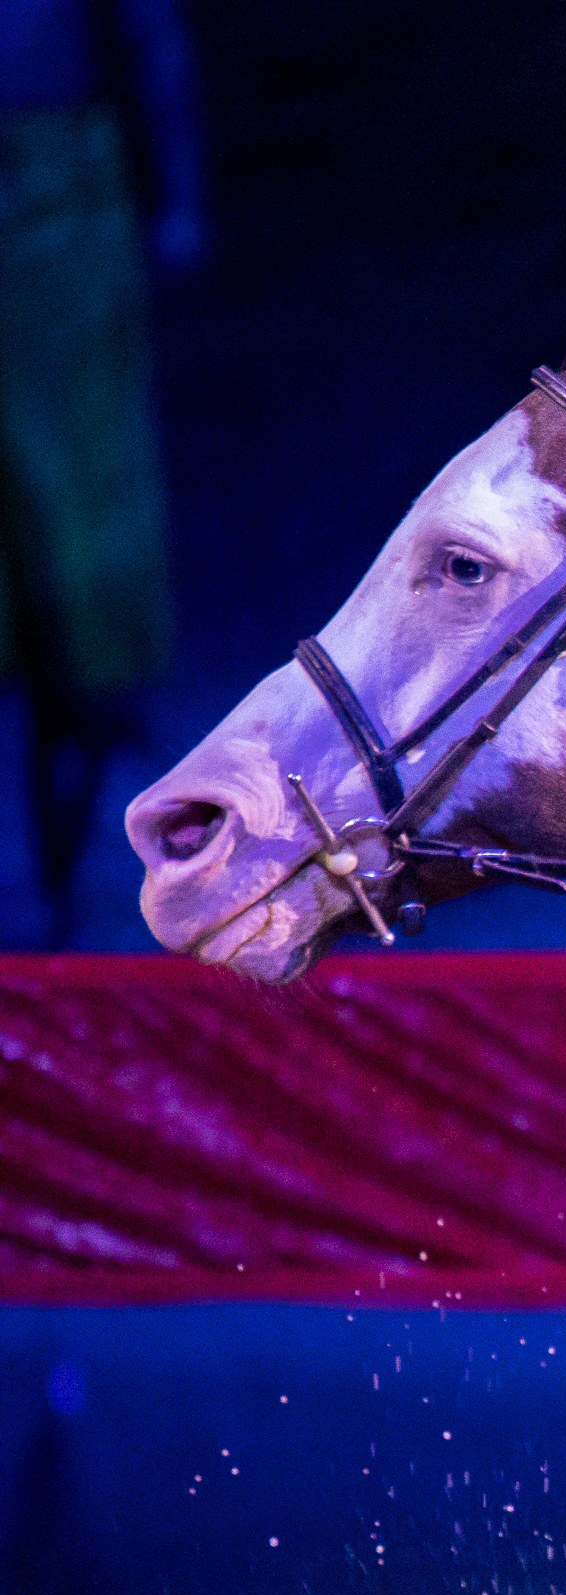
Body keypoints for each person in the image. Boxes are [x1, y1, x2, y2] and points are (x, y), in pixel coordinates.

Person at [1, 0, 201, 944]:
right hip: (58, 179)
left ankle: (75, 858)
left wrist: (177, 191)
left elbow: (147, 29)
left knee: (83, 540)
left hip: (58, 190)